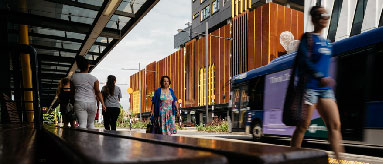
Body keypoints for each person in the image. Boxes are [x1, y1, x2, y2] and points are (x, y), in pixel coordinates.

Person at [290, 6, 345, 160]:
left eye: (327, 15)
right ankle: (291, 159)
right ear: (314, 18)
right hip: (310, 88)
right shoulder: (307, 38)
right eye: (322, 15)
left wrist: (324, 79)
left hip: (325, 89)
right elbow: (304, 61)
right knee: (302, 126)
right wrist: (319, 76)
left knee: (335, 126)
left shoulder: (328, 43)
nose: (326, 17)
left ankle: (340, 160)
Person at [71, 55, 106, 129]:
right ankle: (92, 140)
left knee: (82, 124)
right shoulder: (94, 79)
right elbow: (98, 92)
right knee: (91, 125)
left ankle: (81, 140)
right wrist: (103, 104)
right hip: (91, 103)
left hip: (79, 102)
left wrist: (73, 103)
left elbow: (72, 92)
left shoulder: (73, 77)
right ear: (88, 66)